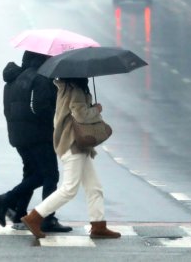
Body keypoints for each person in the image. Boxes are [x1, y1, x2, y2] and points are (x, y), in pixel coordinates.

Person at [21, 77, 120, 240]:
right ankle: (34, 217)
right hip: (72, 143)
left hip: (78, 145)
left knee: (94, 187)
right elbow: (80, 115)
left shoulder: (67, 87)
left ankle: (98, 226)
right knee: (69, 189)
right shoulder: (76, 90)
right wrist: (96, 109)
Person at [0, 51, 71, 233]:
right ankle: (44, 217)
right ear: (42, 59)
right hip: (39, 136)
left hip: (18, 136)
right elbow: (43, 109)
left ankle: (19, 213)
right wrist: (57, 118)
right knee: (49, 176)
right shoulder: (41, 79)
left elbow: (8, 111)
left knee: (32, 174)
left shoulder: (13, 79)